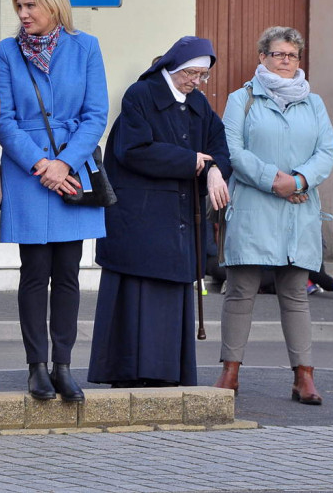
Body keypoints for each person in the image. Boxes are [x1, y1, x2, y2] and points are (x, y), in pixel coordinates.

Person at [0, 0, 109, 403]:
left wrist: (64, 163)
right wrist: (42, 164)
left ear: (53, 4)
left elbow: (97, 113)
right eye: (18, 6)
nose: (23, 14)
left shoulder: (86, 47)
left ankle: (63, 365)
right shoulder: (8, 51)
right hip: (29, 173)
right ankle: (36, 367)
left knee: (69, 274)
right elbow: (1, 119)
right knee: (34, 273)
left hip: (71, 169)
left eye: (30, 5)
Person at [88, 36, 231, 388]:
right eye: (192, 74)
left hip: (178, 217)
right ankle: (128, 372)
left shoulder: (197, 105)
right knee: (137, 293)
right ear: (175, 68)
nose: (197, 82)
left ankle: (167, 372)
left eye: (202, 76)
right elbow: (133, 150)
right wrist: (191, 161)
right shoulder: (141, 95)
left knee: (169, 299)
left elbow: (219, 147)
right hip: (142, 217)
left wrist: (214, 169)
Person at [213, 26, 333, 405]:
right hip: (254, 207)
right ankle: (230, 373)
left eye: (292, 55)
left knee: (295, 294)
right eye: (279, 54)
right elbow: (232, 149)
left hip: (298, 211)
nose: (286, 62)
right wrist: (273, 181)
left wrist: (298, 181)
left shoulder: (313, 103)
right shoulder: (242, 99)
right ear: (262, 57)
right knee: (240, 292)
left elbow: (327, 151)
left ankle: (304, 376)